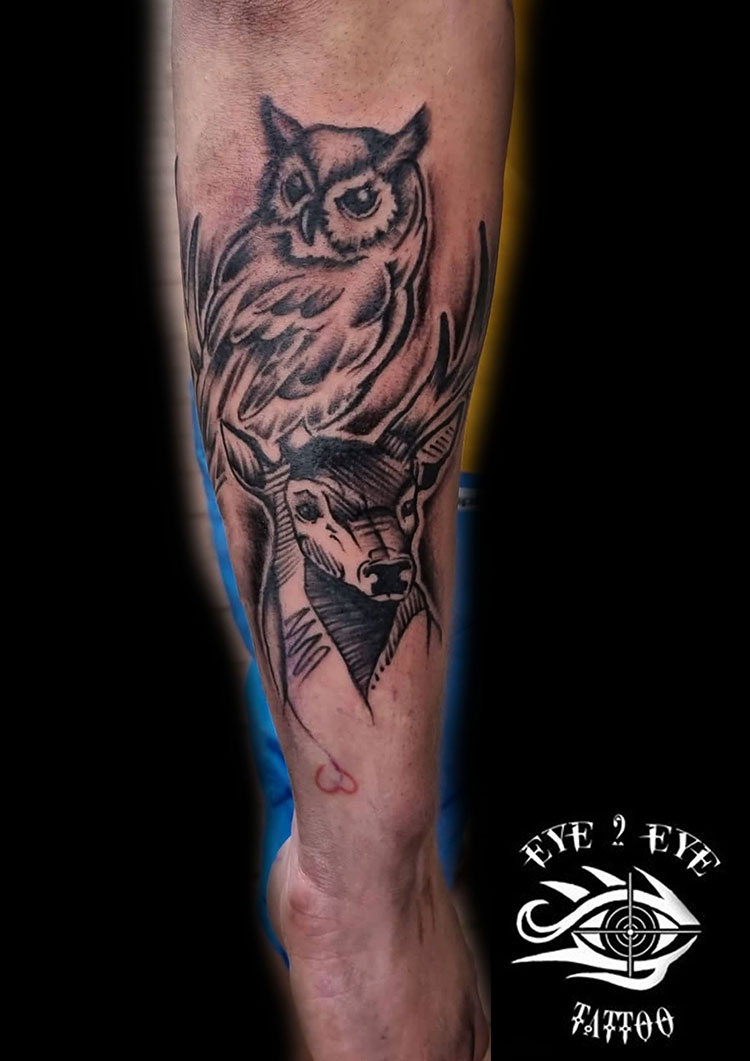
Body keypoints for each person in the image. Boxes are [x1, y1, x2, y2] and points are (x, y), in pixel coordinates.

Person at [172, 1, 516, 1056]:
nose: (318, 225)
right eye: (303, 196)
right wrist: (365, 903)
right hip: (406, 493)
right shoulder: (329, 296)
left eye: (351, 199)